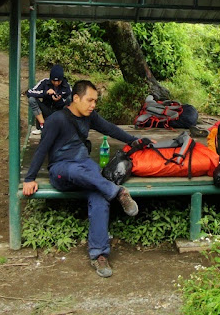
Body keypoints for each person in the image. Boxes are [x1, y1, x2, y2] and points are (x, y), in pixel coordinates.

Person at [22, 80, 150, 278]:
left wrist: (135, 141)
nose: (93, 105)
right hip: (62, 169)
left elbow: (110, 129)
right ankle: (118, 192)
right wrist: (30, 178)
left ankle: (99, 254)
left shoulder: (90, 117)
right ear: (75, 98)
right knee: (78, 172)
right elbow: (42, 149)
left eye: (95, 101)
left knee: (99, 196)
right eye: (90, 100)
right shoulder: (57, 119)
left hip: (85, 167)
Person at [26, 64, 71, 135]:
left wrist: (59, 100)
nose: (56, 83)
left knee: (70, 100)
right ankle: (42, 125)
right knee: (32, 99)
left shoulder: (66, 86)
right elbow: (29, 92)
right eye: (54, 81)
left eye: (59, 81)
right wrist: (45, 93)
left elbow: (71, 100)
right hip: (46, 110)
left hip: (60, 112)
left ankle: (65, 126)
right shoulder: (44, 82)